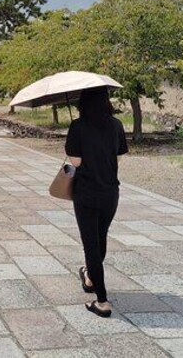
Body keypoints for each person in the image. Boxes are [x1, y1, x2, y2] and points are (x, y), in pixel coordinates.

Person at [65, 85, 128, 318]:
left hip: (86, 193)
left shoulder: (78, 126)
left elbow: (76, 162)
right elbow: (118, 156)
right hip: (111, 193)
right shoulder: (117, 125)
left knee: (91, 244)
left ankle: (101, 301)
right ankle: (90, 278)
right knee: (100, 238)